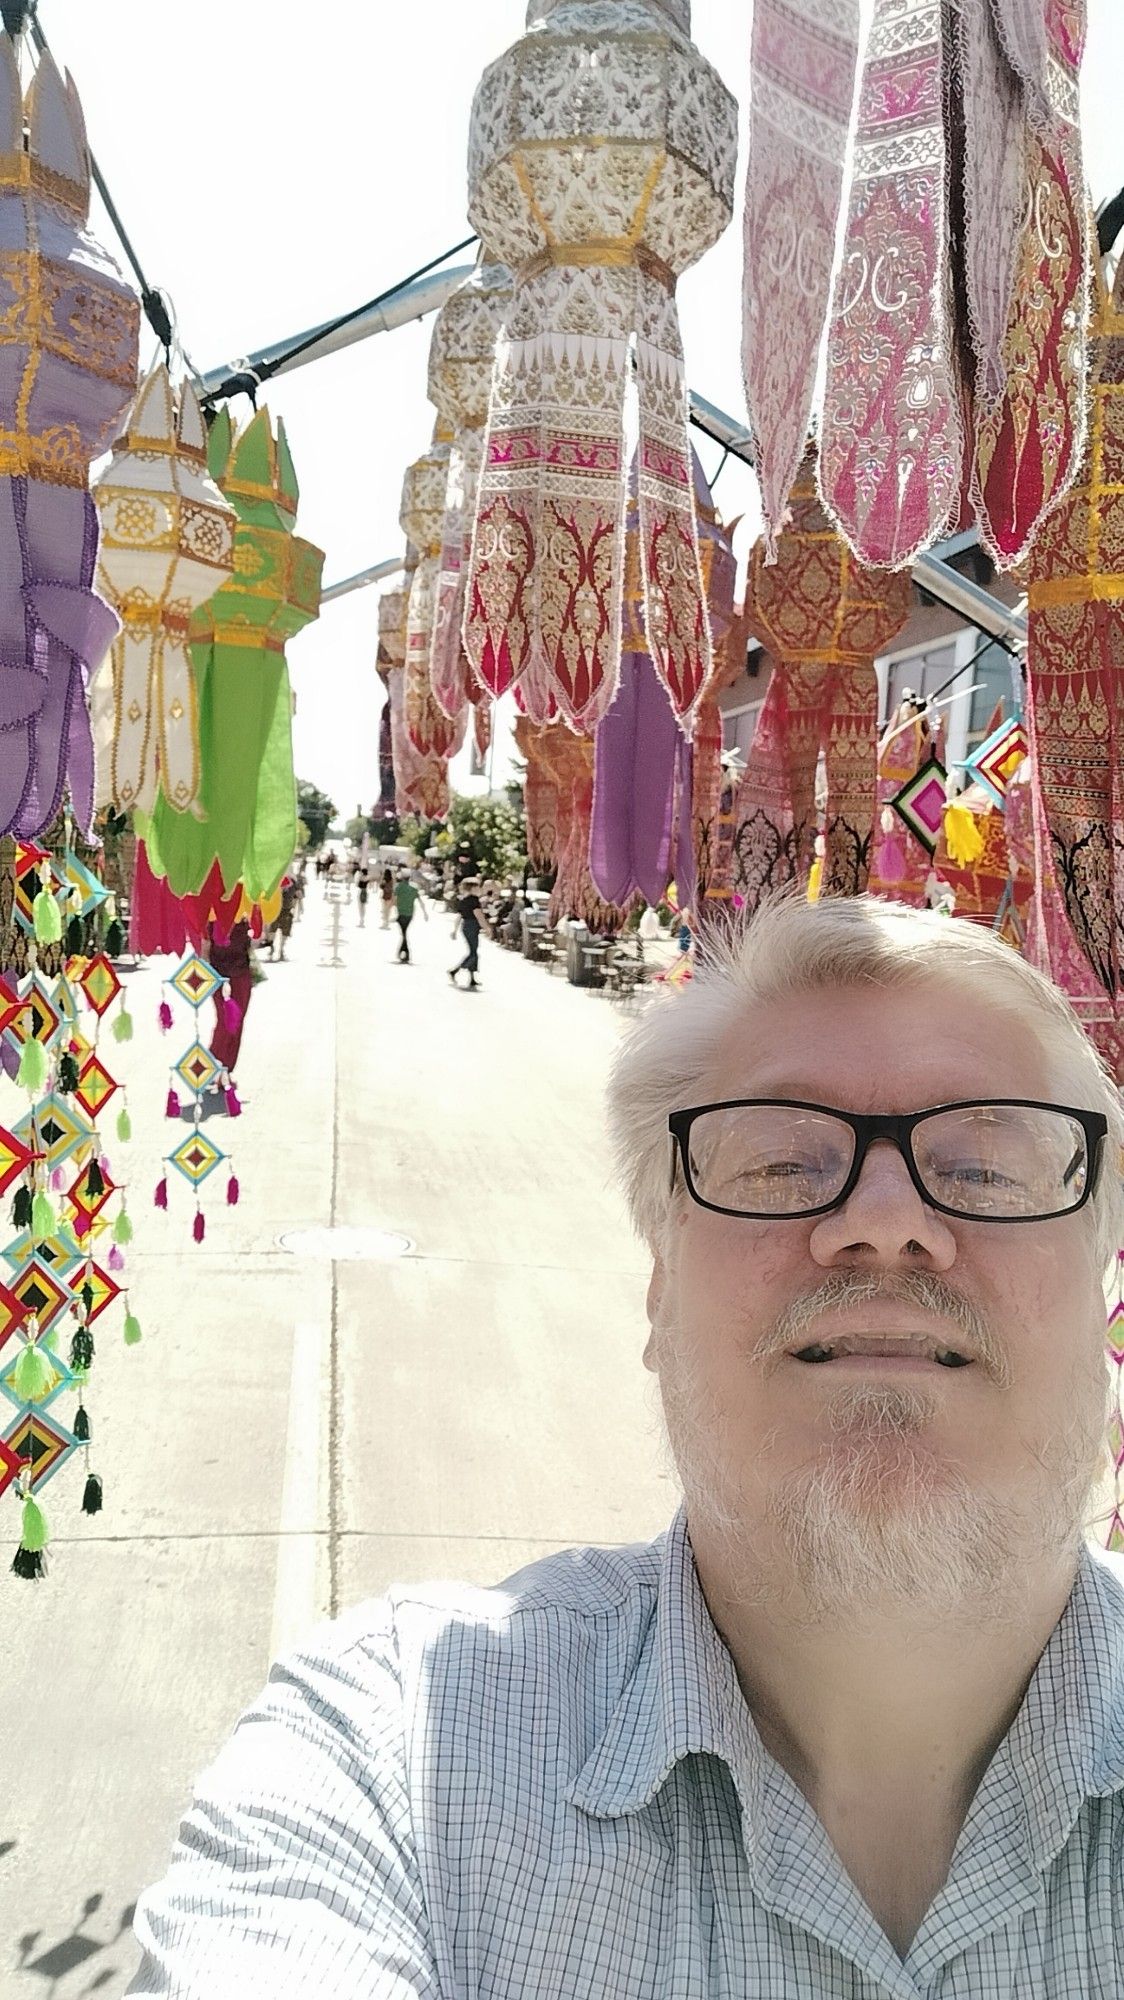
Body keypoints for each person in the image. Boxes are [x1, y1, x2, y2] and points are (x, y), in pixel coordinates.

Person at [126, 895, 1124, 1994]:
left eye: (984, 1167)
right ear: (657, 1294)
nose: (881, 1218)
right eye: (780, 1163)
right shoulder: (391, 1761)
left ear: (1099, 1290)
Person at [206, 919, 253, 1089]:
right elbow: (203, 938)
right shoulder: (212, 906)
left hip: (241, 971)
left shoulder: (245, 902)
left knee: (237, 1022)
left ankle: (224, 1071)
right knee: (225, 1021)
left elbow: (258, 931)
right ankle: (208, 1065)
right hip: (216, 971)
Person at [448, 875, 489, 989]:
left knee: (473, 951)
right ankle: (455, 970)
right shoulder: (474, 901)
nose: (479, 889)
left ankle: (472, 978)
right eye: (477, 887)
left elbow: (459, 916)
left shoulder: (464, 900)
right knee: (473, 953)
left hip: (465, 926)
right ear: (471, 888)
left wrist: (455, 930)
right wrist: (487, 928)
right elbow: (479, 915)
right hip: (472, 926)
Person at [393, 865, 426, 963]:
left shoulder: (398, 887)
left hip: (401, 912)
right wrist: (425, 913)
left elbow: (394, 900)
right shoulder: (414, 888)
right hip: (410, 913)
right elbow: (420, 901)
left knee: (403, 933)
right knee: (404, 932)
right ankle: (404, 953)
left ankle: (405, 952)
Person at [379, 865, 394, 930]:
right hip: (390, 895)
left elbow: (381, 886)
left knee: (384, 910)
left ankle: (384, 924)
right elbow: (393, 888)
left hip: (384, 895)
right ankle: (387, 924)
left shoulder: (384, 879)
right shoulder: (392, 880)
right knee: (388, 911)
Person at [356, 862, 370, 928]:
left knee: (360, 906)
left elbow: (358, 885)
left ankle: (361, 918)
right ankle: (363, 918)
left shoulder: (360, 877)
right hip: (366, 892)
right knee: (364, 906)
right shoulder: (368, 878)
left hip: (361, 891)